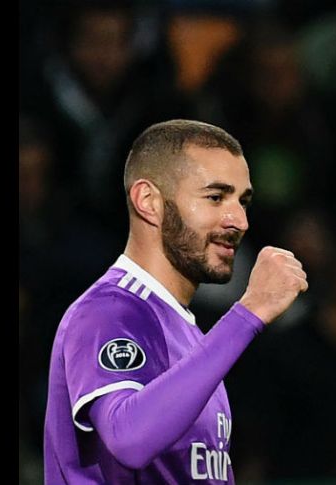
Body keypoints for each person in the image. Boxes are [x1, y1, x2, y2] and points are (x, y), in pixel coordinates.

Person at [43, 119, 308, 484]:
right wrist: (250, 310)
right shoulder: (110, 310)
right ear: (148, 202)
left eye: (243, 201)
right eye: (215, 197)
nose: (240, 220)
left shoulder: (189, 333)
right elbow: (128, 440)